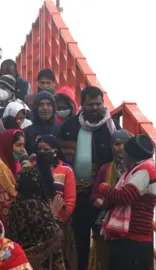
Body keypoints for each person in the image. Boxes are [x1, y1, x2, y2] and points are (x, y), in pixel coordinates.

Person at [57, 86, 118, 270]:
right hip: (78, 195)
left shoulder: (112, 127)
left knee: (104, 241)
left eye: (99, 104)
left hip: (103, 196)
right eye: (90, 104)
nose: (95, 108)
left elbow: (123, 155)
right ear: (82, 105)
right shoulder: (70, 126)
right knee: (80, 240)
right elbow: (59, 159)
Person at [95, 134, 156, 270]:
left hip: (134, 242)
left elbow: (124, 197)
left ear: (131, 156)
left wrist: (103, 188)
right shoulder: (138, 170)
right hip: (129, 240)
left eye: (125, 154)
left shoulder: (145, 170)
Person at [7, 163, 65, 270]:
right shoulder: (37, 205)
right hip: (44, 264)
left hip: (21, 262)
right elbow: (55, 236)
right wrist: (54, 213)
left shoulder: (13, 206)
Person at [89, 129, 132, 270]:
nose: (121, 148)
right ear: (112, 147)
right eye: (117, 144)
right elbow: (94, 194)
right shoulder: (105, 169)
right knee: (107, 261)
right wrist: (97, 200)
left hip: (130, 222)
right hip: (107, 223)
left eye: (125, 144)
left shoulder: (136, 169)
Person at [36, 135, 77, 269]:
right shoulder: (32, 169)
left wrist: (58, 220)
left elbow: (70, 201)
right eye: (39, 149)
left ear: (55, 151)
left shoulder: (66, 170)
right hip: (39, 223)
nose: (42, 153)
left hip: (61, 224)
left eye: (46, 149)